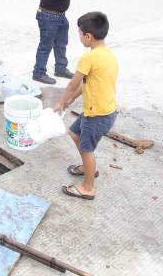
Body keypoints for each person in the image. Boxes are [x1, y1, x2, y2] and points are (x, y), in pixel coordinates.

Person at [54, 12, 118, 200]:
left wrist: (61, 101)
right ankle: (88, 167)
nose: (80, 37)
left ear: (88, 36)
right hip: (103, 111)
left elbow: (73, 83)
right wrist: (71, 100)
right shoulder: (109, 55)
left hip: (97, 115)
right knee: (74, 133)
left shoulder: (88, 58)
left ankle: (88, 187)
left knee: (87, 148)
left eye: (80, 34)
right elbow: (86, 83)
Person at [33, 0, 83, 85]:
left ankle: (60, 68)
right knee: (46, 46)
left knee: (61, 44)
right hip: (49, 16)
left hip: (60, 15)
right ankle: (38, 72)